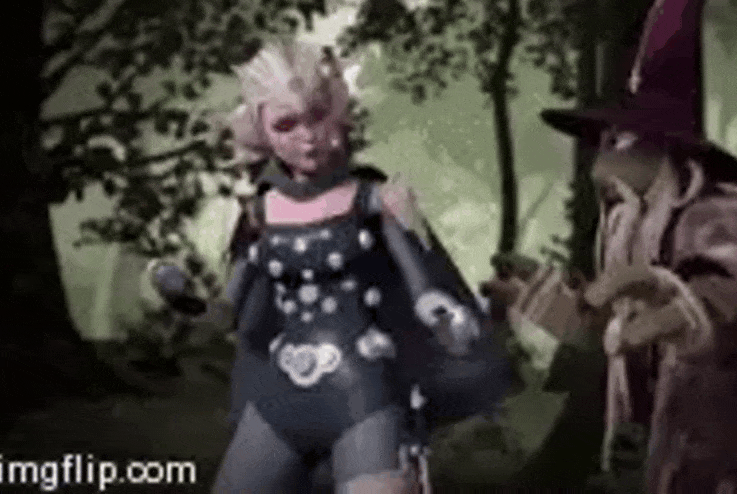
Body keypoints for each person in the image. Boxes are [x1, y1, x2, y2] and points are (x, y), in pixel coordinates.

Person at [484, 0, 737, 493]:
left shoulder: (718, 218)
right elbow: (631, 337)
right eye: (600, 143)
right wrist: (559, 310)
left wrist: (708, 302)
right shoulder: (632, 232)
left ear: (668, 153)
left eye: (618, 143)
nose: (599, 166)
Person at [152, 39, 509, 493]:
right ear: (261, 131)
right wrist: (187, 303)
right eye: (286, 124)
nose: (307, 136)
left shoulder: (376, 201)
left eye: (316, 116)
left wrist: (445, 316)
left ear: (337, 112)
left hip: (364, 396)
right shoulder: (258, 214)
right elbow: (228, 312)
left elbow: (423, 292)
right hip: (278, 400)